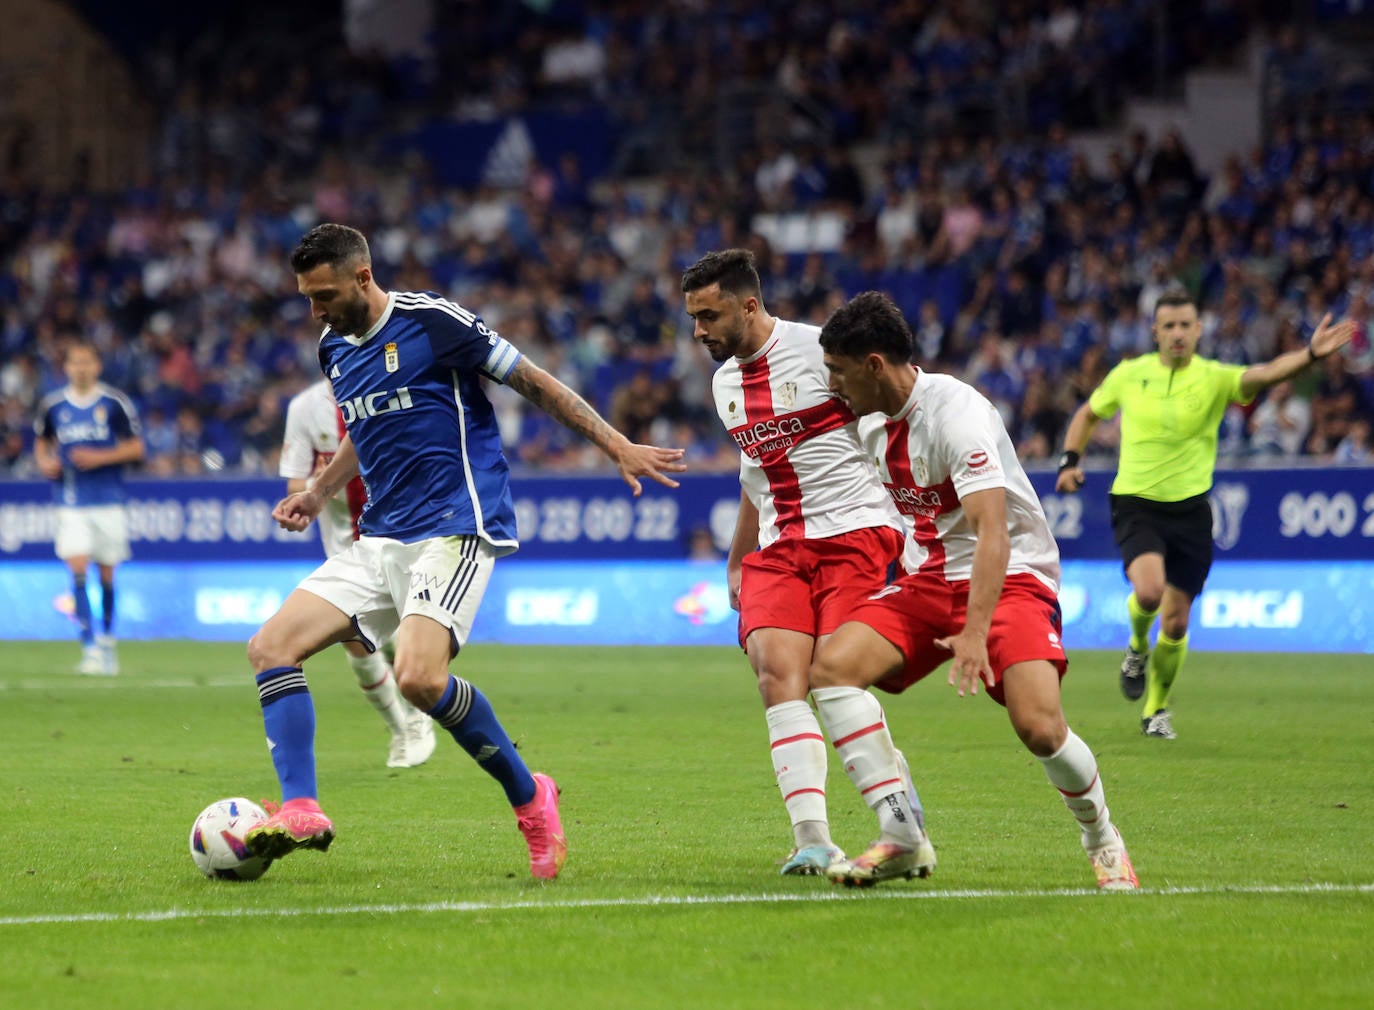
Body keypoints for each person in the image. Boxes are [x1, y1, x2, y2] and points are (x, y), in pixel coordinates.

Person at [244, 223, 685, 879]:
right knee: (271, 647)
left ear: (363, 277)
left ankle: (532, 799)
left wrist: (616, 443)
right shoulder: (334, 346)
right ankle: (302, 808)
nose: (316, 311)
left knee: (418, 679)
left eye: (325, 294)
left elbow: (533, 381)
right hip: (381, 536)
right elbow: (366, 429)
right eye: (308, 298)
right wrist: (317, 492)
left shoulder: (433, 322)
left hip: (454, 527)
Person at [813, 291, 1137, 890]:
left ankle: (1102, 838)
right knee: (832, 669)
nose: (832, 383)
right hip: (930, 579)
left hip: (1011, 578)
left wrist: (975, 633)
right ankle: (904, 834)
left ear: (875, 365)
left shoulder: (956, 415)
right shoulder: (866, 420)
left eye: (838, 370)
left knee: (1038, 726)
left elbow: (993, 533)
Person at [681, 249, 926, 877]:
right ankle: (814, 839)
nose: (700, 331)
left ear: (750, 305)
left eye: (709, 316)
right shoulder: (723, 384)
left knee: (833, 675)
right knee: (776, 675)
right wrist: (739, 558)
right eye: (693, 318)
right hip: (779, 548)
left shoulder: (823, 353)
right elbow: (753, 470)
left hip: (855, 534)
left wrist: (921, 525)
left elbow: (895, 420)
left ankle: (898, 819)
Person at [1056, 291, 1354, 738]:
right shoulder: (1128, 374)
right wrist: (1069, 461)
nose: (1177, 333)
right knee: (1150, 591)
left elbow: (1266, 373)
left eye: (1185, 325)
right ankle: (1137, 645)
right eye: (1169, 326)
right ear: (1155, 331)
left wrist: (1309, 354)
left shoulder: (1214, 378)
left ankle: (1155, 710)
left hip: (1191, 511)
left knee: (1176, 621)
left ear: (1199, 330)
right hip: (1137, 502)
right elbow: (1088, 414)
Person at [278, 378, 436, 768]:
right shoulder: (304, 407)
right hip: (346, 547)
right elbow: (296, 484)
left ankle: (419, 715)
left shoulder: (391, 391)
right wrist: (319, 483)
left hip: (400, 536)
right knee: (354, 640)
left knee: (399, 639)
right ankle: (402, 728)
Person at [33, 341, 145, 675]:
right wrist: (44, 463)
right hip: (71, 502)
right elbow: (41, 442)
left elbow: (136, 448)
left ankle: (108, 641)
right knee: (77, 566)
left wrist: (99, 457)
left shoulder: (114, 403)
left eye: (87, 362)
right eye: (75, 362)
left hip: (109, 501)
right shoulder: (53, 406)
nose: (81, 368)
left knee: (107, 572)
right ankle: (89, 646)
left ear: (97, 366)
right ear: (65, 367)